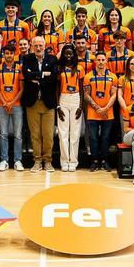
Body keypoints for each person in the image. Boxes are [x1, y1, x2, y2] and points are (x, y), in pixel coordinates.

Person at [22, 35, 58, 172]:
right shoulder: (27, 58)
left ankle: (48, 161)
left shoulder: (52, 59)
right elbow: (27, 74)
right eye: (35, 45)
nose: (38, 48)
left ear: (45, 46)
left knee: (48, 134)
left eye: (40, 45)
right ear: (32, 46)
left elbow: (54, 77)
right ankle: (37, 161)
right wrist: (44, 74)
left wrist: (37, 76)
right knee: (35, 134)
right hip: (32, 102)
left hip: (47, 102)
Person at [84, 51, 118, 172]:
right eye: (98, 60)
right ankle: (94, 161)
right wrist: (96, 107)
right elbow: (86, 94)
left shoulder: (113, 77)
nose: (101, 62)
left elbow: (114, 95)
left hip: (107, 113)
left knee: (105, 137)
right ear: (95, 61)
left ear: (106, 61)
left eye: (103, 60)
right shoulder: (88, 76)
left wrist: (105, 108)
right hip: (93, 112)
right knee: (93, 137)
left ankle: (104, 161)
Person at [0, 42, 25, 171]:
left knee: (18, 134)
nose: (9, 56)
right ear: (3, 54)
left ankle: (18, 160)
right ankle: (4, 160)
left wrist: (12, 103)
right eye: (6, 53)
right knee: (4, 134)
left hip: (17, 105)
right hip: (2, 105)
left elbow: (22, 88)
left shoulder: (20, 68)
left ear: (15, 54)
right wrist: (5, 102)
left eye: (11, 53)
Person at [55, 44, 84, 172]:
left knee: (75, 133)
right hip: (63, 98)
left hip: (76, 98)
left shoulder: (80, 68)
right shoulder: (59, 69)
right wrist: (58, 106)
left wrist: (81, 106)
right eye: (66, 54)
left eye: (70, 54)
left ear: (74, 55)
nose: (68, 56)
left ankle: (73, 161)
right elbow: (56, 89)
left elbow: (82, 89)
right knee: (63, 133)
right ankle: (64, 161)